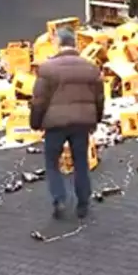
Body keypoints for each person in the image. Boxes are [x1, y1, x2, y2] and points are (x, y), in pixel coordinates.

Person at [29, 27, 104, 220]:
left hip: (55, 125)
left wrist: (36, 122)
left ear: (58, 44)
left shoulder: (47, 69)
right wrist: (96, 119)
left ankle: (59, 198)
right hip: (81, 124)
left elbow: (39, 100)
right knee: (81, 163)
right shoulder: (91, 68)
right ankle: (83, 204)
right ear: (75, 44)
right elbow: (100, 98)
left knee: (52, 163)